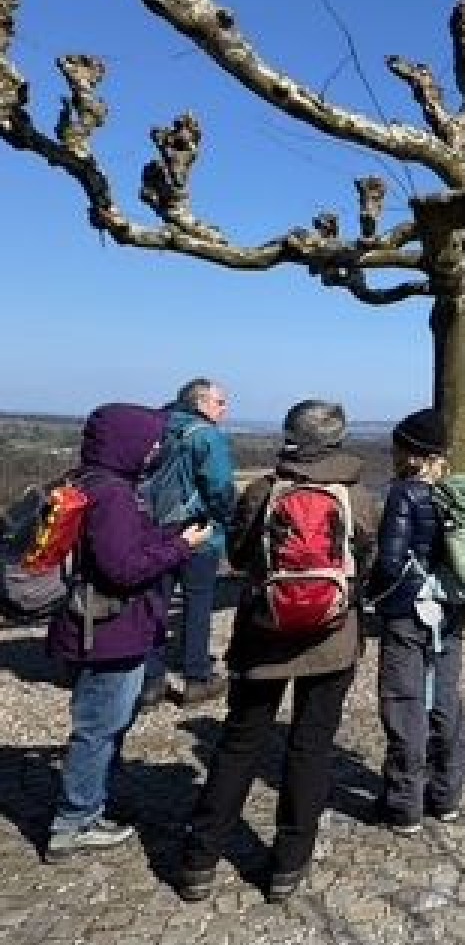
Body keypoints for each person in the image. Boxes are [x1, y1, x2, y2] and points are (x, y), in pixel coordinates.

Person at [177, 399, 378, 903]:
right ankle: (287, 867)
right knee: (310, 749)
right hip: (332, 639)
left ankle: (200, 862)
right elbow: (366, 564)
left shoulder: (265, 492)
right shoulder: (358, 498)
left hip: (263, 637)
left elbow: (241, 554)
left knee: (240, 745)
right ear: (337, 440)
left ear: (290, 436)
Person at [46, 404, 212, 862]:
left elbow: (121, 550)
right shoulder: (115, 495)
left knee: (104, 720)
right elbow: (125, 568)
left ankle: (91, 802)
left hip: (95, 625)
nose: (156, 449)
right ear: (128, 443)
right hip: (110, 629)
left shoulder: (87, 481)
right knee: (100, 725)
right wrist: (182, 546)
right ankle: (75, 820)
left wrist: (170, 536)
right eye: (151, 441)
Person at [367, 410, 465, 834]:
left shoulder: (404, 495)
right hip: (450, 610)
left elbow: (391, 564)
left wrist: (371, 590)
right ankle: (446, 796)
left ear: (410, 452)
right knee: (445, 699)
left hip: (409, 612)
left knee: (405, 701)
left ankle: (404, 804)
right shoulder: (457, 494)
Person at [142, 378, 236, 709]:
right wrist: (227, 521)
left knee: (155, 602)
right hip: (197, 530)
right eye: (220, 402)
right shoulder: (207, 436)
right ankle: (196, 676)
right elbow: (221, 488)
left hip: (154, 529)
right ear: (201, 404)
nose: (225, 408)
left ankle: (150, 680)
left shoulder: (157, 427)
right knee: (197, 602)